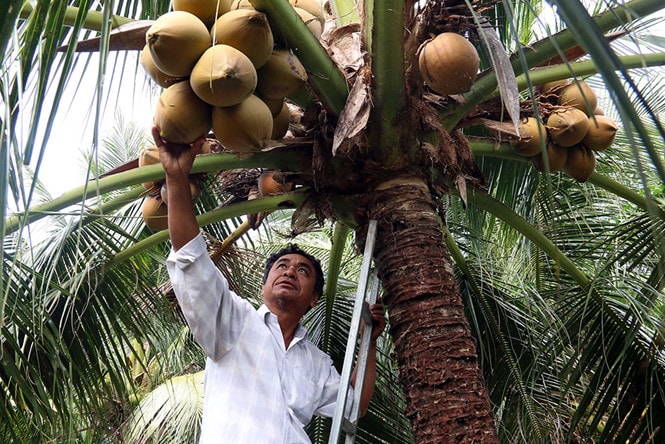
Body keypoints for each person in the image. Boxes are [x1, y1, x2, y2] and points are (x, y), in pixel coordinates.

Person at [153, 127, 386, 443]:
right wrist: (176, 180)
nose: (290, 272)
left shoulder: (316, 363)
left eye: (303, 271)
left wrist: (368, 339)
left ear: (315, 299)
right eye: (281, 266)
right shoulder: (235, 324)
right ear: (263, 288)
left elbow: (353, 405)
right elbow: (191, 260)